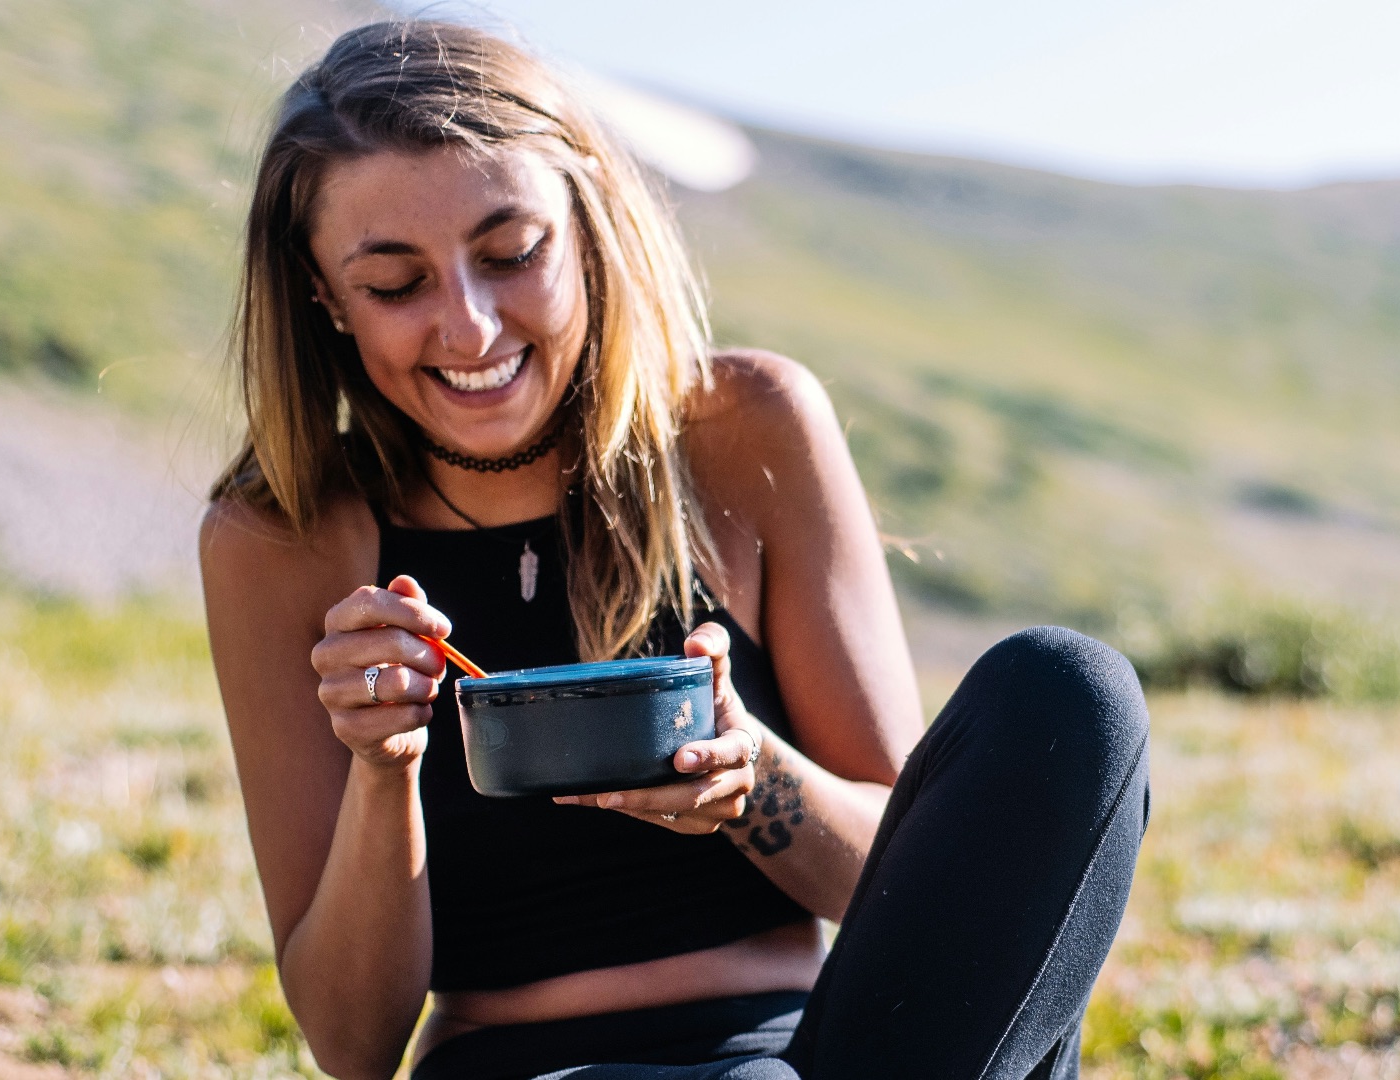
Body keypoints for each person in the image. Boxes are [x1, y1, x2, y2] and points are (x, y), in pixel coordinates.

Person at [199, 20, 1150, 1080]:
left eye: (512, 255)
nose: (468, 329)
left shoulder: (747, 429)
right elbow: (350, 1043)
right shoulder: (281, 537)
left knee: (1069, 696)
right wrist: (385, 770)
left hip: (819, 1058)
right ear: (324, 297)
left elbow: (906, 890)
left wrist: (752, 781)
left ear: (589, 226)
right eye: (395, 284)